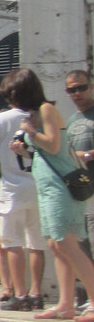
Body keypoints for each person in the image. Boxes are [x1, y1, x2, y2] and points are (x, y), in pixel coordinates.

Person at [4, 69, 94, 322]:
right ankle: (66, 304)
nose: (11, 103)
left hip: (60, 189)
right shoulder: (36, 115)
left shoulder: (46, 110)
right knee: (56, 245)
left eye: (12, 96)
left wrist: (31, 133)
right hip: (47, 188)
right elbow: (49, 153)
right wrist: (25, 151)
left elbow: (54, 144)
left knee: (67, 243)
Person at [0, 73, 47, 311]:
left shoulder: (1, 120)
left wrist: (1, 155)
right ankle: (37, 293)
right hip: (39, 187)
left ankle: (20, 295)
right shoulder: (41, 116)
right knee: (36, 244)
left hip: (12, 189)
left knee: (13, 243)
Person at [64, 68, 94, 248]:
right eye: (72, 90)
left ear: (91, 87)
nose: (77, 93)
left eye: (81, 88)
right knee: (82, 246)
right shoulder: (70, 121)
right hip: (80, 191)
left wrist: (88, 155)